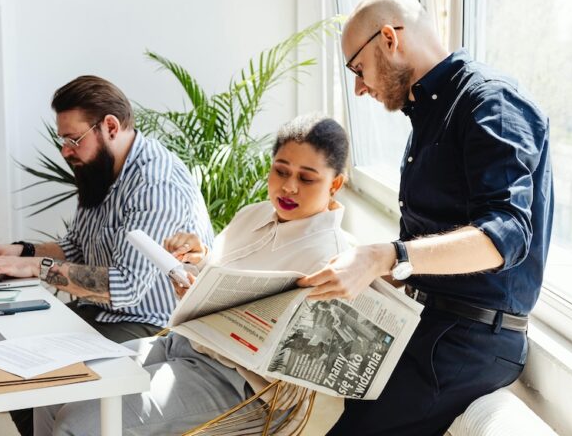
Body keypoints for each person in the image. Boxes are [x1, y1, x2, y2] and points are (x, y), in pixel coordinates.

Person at [297, 0, 554, 435]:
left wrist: (385, 257)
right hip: (427, 322)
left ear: (390, 39)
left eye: (358, 69)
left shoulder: (491, 102)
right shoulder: (428, 116)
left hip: (471, 339)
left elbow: (506, 234)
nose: (359, 87)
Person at [34, 114, 351, 436]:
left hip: (237, 384)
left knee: (78, 422)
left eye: (307, 179)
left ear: (335, 184)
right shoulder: (251, 215)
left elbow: (311, 358)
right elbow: (209, 279)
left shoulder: (335, 257)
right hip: (183, 344)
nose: (288, 187)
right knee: (56, 386)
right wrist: (191, 268)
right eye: (280, 170)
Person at [0, 75, 213, 436]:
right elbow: (77, 246)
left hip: (153, 322)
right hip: (104, 312)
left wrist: (33, 267)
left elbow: (125, 288)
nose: (65, 151)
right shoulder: (100, 172)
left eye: (73, 139)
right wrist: (19, 252)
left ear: (110, 126)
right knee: (10, 359)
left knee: (36, 373)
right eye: (63, 140)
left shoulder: (156, 185)